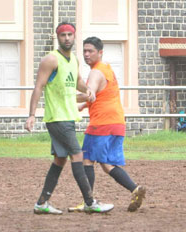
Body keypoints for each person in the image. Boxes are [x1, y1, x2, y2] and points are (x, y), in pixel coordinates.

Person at [25, 23, 114, 214]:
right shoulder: (51, 59)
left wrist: (88, 89)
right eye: (63, 35)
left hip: (67, 117)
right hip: (57, 118)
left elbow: (78, 82)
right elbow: (38, 87)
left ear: (74, 37)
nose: (67, 38)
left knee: (60, 159)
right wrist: (31, 115)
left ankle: (42, 203)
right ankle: (90, 202)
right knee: (78, 155)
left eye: (70, 35)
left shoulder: (73, 60)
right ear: (58, 37)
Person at [69, 36, 146, 213]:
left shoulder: (96, 72)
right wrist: (83, 106)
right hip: (117, 123)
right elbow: (102, 94)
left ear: (100, 53)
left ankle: (88, 202)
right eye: (85, 51)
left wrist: (65, 97)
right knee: (106, 164)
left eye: (91, 51)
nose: (87, 54)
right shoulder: (107, 69)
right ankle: (135, 189)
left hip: (101, 124)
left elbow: (90, 93)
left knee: (87, 159)